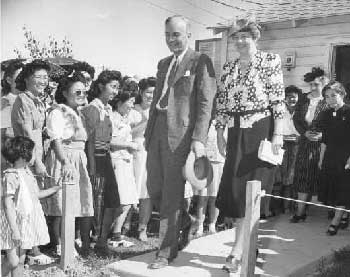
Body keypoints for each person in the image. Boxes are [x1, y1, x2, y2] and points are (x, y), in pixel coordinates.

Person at [144, 15, 216, 269]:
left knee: (172, 195)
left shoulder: (200, 61)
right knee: (154, 188)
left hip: (182, 136)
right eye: (167, 35)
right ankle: (184, 221)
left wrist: (198, 139)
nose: (171, 40)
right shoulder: (163, 63)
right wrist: (148, 134)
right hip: (156, 133)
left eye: (176, 34)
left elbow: (206, 104)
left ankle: (165, 252)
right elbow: (157, 100)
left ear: (188, 33)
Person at [215, 18, 285, 273]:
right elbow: (222, 102)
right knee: (234, 191)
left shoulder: (270, 61)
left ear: (255, 37)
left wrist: (278, 135)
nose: (241, 41)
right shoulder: (229, 67)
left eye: (246, 36)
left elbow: (278, 100)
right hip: (235, 132)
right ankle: (247, 245)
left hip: (260, 130)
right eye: (236, 37)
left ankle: (238, 250)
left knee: (250, 192)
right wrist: (220, 133)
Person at [43, 73, 94, 256]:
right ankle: (61, 245)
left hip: (79, 158)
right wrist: (65, 162)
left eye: (83, 91)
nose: (81, 94)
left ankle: (72, 242)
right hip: (65, 158)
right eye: (76, 91)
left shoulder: (80, 113)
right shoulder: (58, 112)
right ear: (65, 92)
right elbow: (56, 139)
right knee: (62, 204)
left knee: (76, 203)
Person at [1, 136, 61, 277]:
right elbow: (8, 204)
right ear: (23, 155)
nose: (35, 156)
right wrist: (14, 229)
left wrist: (55, 188)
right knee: (13, 261)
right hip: (12, 223)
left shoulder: (28, 173)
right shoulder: (11, 175)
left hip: (25, 222)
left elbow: (36, 195)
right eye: (33, 152)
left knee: (21, 260)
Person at [82, 70, 121, 253]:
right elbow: (89, 141)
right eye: (112, 87)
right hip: (95, 158)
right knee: (97, 202)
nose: (115, 91)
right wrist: (91, 166)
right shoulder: (92, 109)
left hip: (105, 158)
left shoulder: (107, 108)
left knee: (113, 203)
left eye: (117, 88)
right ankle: (94, 243)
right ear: (100, 87)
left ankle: (102, 241)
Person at [291, 67, 328, 223]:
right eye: (311, 85)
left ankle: (335, 212)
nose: (312, 88)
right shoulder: (304, 99)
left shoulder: (328, 101)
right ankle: (300, 212)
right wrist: (304, 132)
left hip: (324, 145)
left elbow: (335, 124)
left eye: (316, 85)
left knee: (323, 176)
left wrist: (323, 135)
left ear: (324, 84)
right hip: (306, 144)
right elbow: (297, 120)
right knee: (303, 176)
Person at [318, 81, 350, 235]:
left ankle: (335, 221)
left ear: (342, 94)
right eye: (326, 96)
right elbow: (325, 139)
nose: (329, 99)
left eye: (333, 95)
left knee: (342, 189)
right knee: (334, 188)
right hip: (330, 156)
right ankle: (343, 215)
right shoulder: (326, 114)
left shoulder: (348, 112)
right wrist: (321, 158)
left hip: (346, 156)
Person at [108, 92, 139, 242]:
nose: (132, 106)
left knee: (128, 200)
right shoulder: (113, 118)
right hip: (117, 161)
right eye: (130, 102)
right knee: (122, 200)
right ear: (120, 102)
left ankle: (116, 232)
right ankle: (110, 232)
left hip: (126, 161)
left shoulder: (125, 118)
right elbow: (110, 141)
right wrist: (129, 144)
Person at [129, 77, 155, 242]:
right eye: (148, 92)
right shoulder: (133, 109)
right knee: (131, 189)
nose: (151, 96)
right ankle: (123, 227)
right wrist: (148, 121)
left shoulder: (159, 109)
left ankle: (142, 228)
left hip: (151, 152)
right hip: (134, 151)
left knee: (147, 192)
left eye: (154, 92)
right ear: (141, 92)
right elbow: (128, 132)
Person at [192, 119, 225, 237]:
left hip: (220, 162)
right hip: (205, 162)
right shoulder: (205, 122)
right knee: (203, 196)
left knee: (215, 196)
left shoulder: (226, 121)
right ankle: (200, 226)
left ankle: (212, 225)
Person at [280, 85, 302, 213]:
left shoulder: (301, 110)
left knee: (294, 174)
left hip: (297, 145)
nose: (291, 99)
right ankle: (283, 206)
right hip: (282, 144)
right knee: (283, 174)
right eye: (288, 97)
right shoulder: (280, 110)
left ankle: (292, 205)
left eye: (294, 96)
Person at [1, 60, 24, 172]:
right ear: (9, 80)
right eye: (19, 76)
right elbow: (3, 134)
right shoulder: (6, 102)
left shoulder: (27, 100)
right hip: (11, 160)